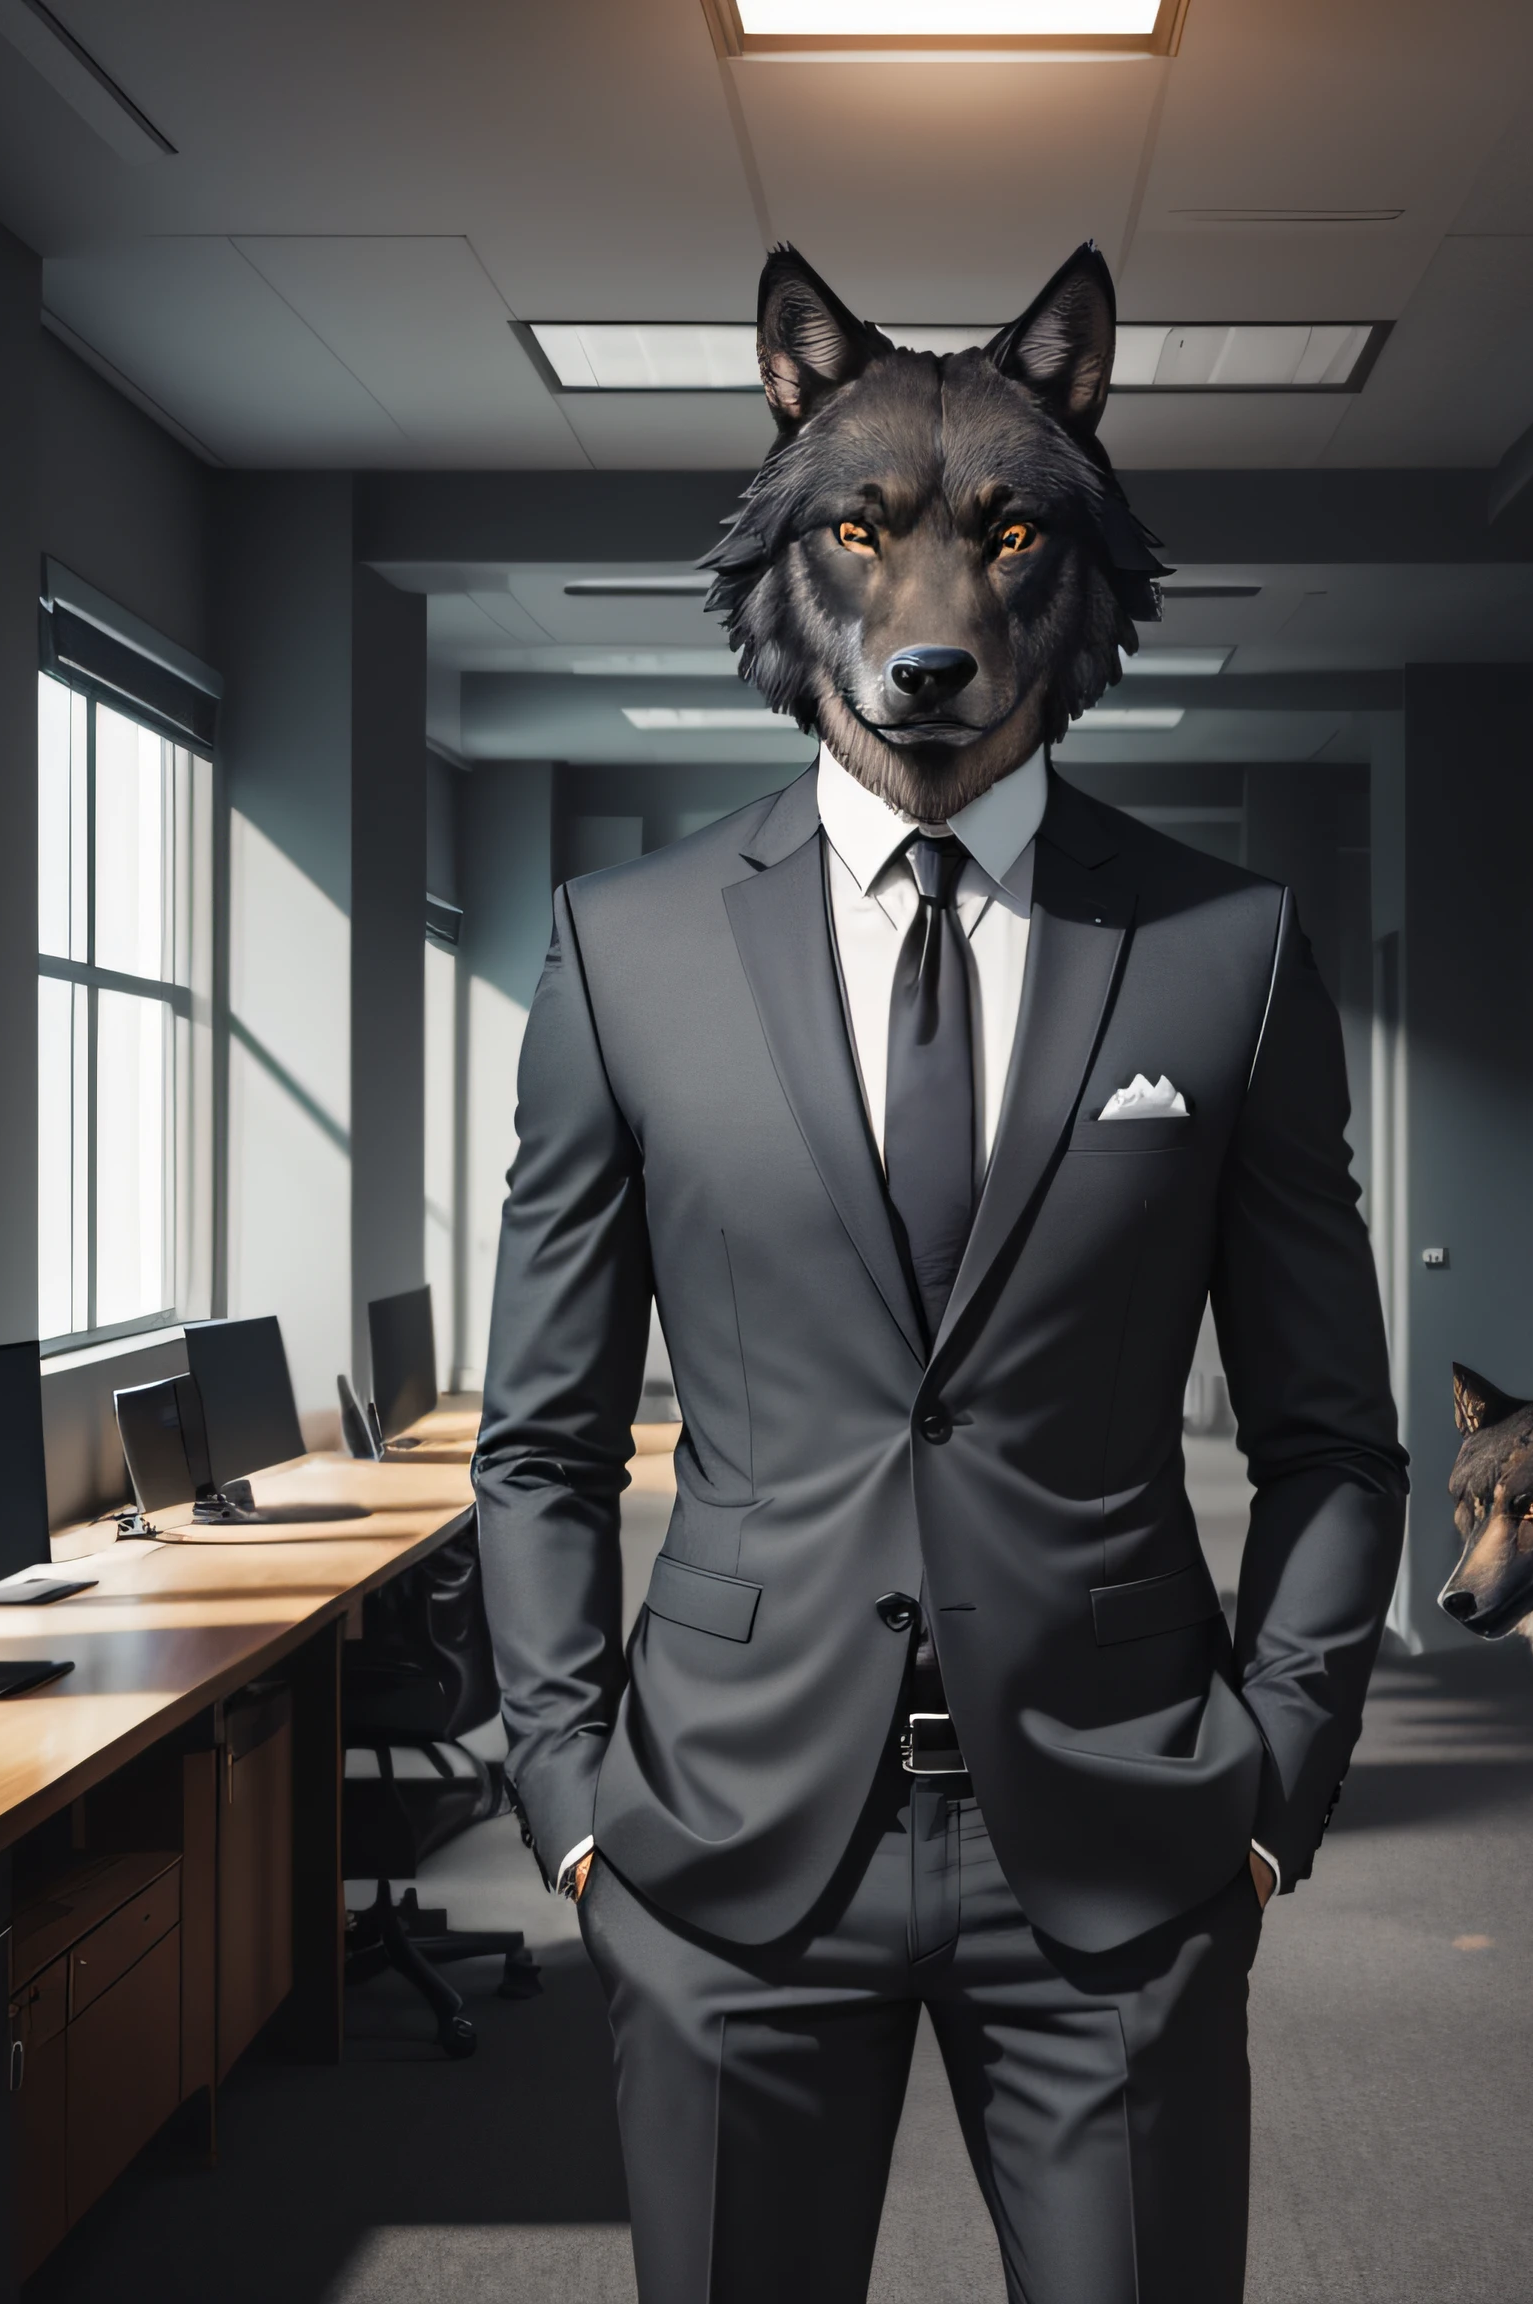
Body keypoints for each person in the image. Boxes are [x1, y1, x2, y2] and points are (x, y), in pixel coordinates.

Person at [474, 242, 1407, 2304]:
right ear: (799, 556)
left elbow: (1336, 1440)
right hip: (716, 1848)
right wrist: (567, 1799)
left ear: (1063, 571)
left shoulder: (1227, 954)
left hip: (1120, 1845)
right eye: (869, 535)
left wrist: (1270, 1782)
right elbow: (536, 1441)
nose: (930, 622)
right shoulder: (616, 951)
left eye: (994, 540)